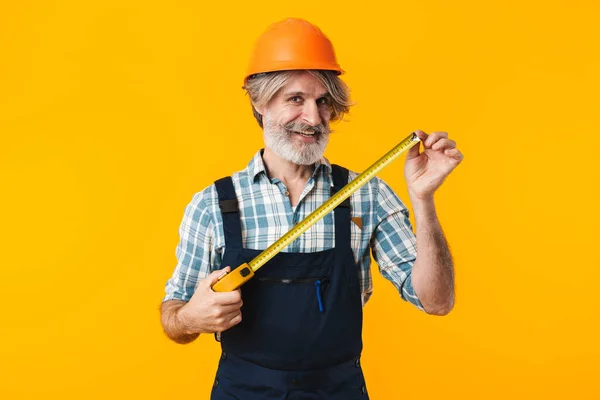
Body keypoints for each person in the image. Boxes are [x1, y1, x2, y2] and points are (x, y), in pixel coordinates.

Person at [160, 17, 463, 400]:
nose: (314, 118)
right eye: (295, 99)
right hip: (243, 391)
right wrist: (190, 316)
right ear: (258, 101)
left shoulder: (365, 194)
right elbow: (174, 316)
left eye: (323, 102)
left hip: (338, 390)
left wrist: (423, 199)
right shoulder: (213, 205)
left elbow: (436, 301)